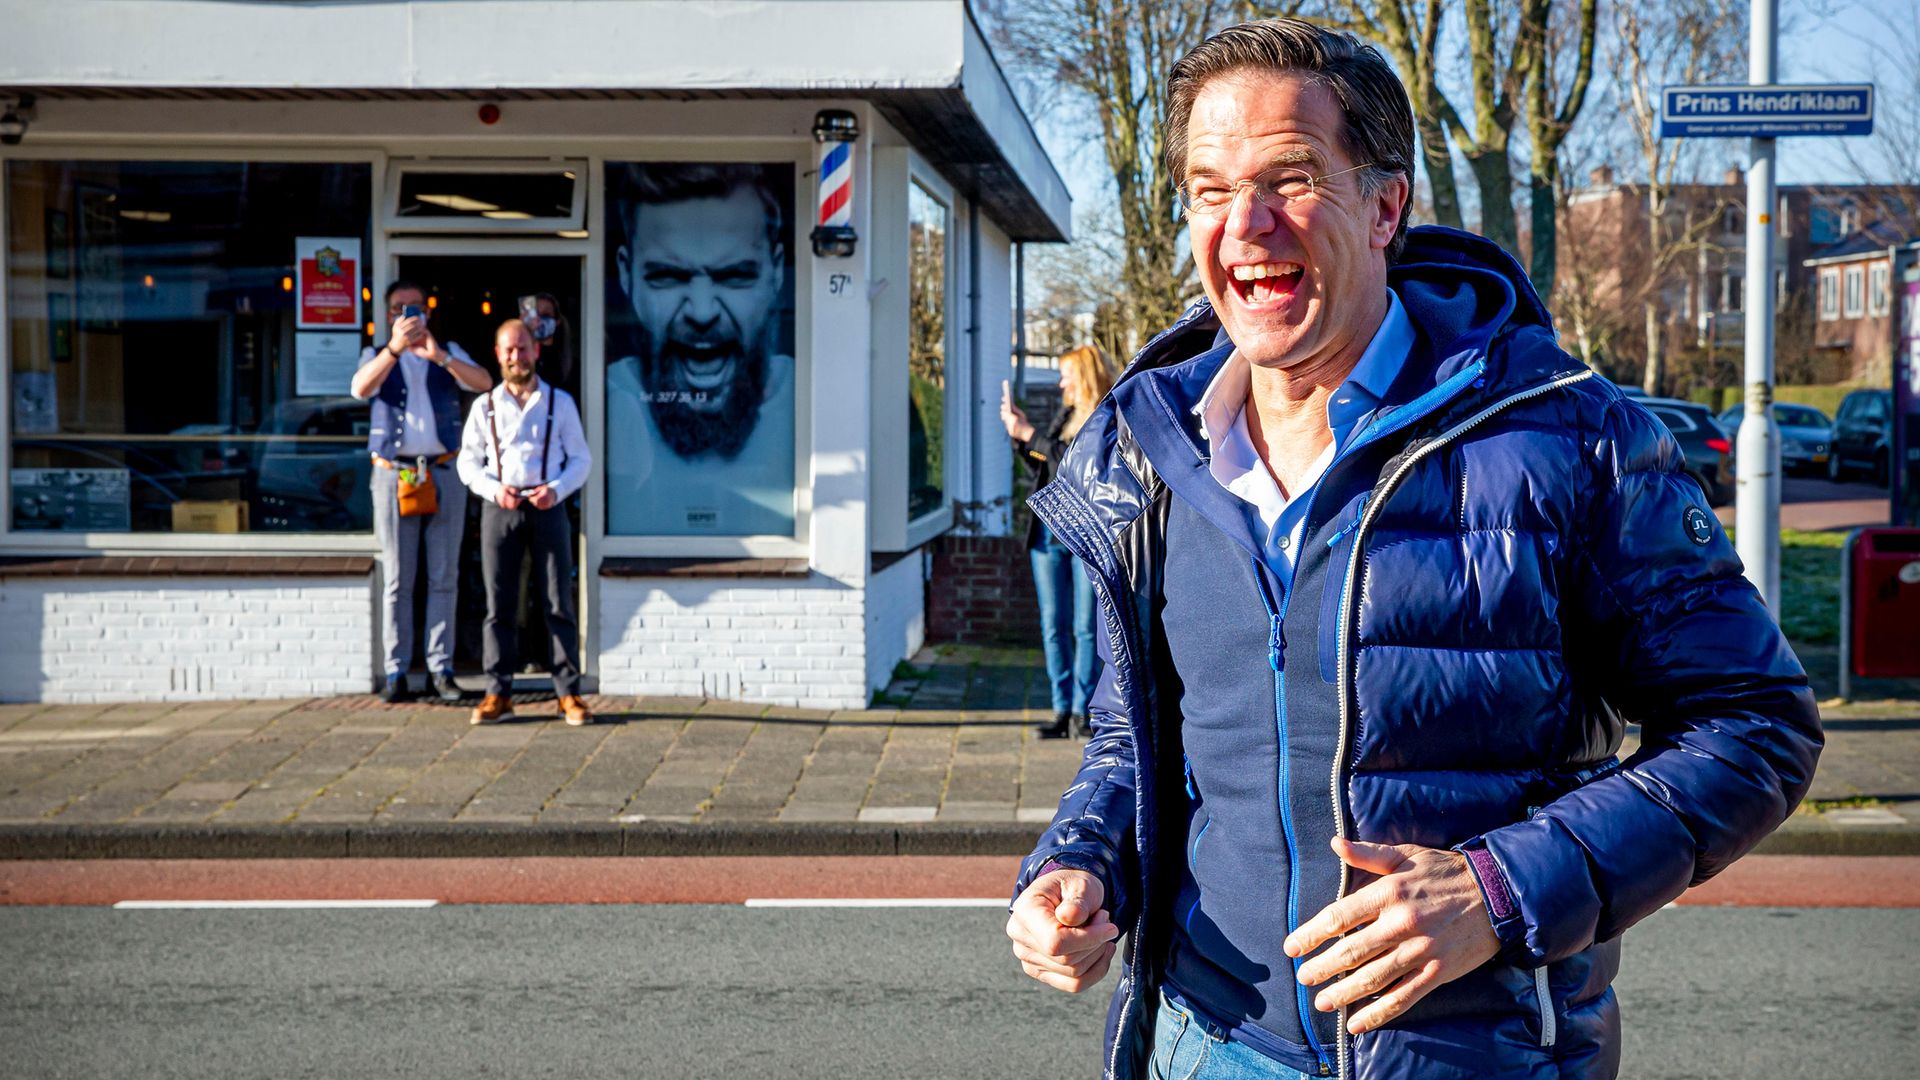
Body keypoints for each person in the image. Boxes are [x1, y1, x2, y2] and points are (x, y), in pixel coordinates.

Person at [1004, 20, 1822, 1080]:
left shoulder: (1568, 439)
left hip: (1465, 1059)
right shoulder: (1153, 455)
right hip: (1196, 1045)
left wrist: (1499, 892)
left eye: (1290, 179)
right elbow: (1135, 739)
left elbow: (1754, 725)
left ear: (1386, 205)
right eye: (1209, 190)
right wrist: (1078, 858)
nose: (1244, 225)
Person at [606, 163, 795, 537]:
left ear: (776, 272)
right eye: (667, 276)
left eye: (735, 275)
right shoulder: (604, 400)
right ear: (626, 275)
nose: (703, 312)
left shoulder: (811, 404)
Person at [350, 280, 492, 704]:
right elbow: (359, 389)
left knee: (443, 576)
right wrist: (393, 350)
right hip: (395, 474)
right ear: (388, 315)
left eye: (415, 307)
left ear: (428, 312)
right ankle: (396, 670)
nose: (408, 315)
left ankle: (440, 668)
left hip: (444, 472)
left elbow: (484, 383)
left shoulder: (446, 350)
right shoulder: (375, 354)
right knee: (398, 577)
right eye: (399, 308)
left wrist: (441, 357)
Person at [457, 319, 593, 727]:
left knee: (557, 601)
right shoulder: (485, 406)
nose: (516, 357)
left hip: (548, 505)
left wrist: (558, 489)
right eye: (509, 350)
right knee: (499, 604)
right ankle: (498, 693)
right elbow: (467, 462)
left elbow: (581, 459)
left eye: (523, 348)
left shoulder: (559, 403)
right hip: (501, 506)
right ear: (498, 355)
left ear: (536, 351)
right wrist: (491, 489)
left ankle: (568, 694)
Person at [1000, 347, 1116, 739]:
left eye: (1066, 374)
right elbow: (1044, 465)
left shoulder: (1107, 416)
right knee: (1053, 625)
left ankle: (1085, 712)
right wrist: (1021, 438)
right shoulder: (1065, 416)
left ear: (1084, 375)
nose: (1060, 382)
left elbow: (1074, 463)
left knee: (1086, 627)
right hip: (1048, 535)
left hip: (1084, 535)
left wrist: (1031, 435)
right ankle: (1061, 710)